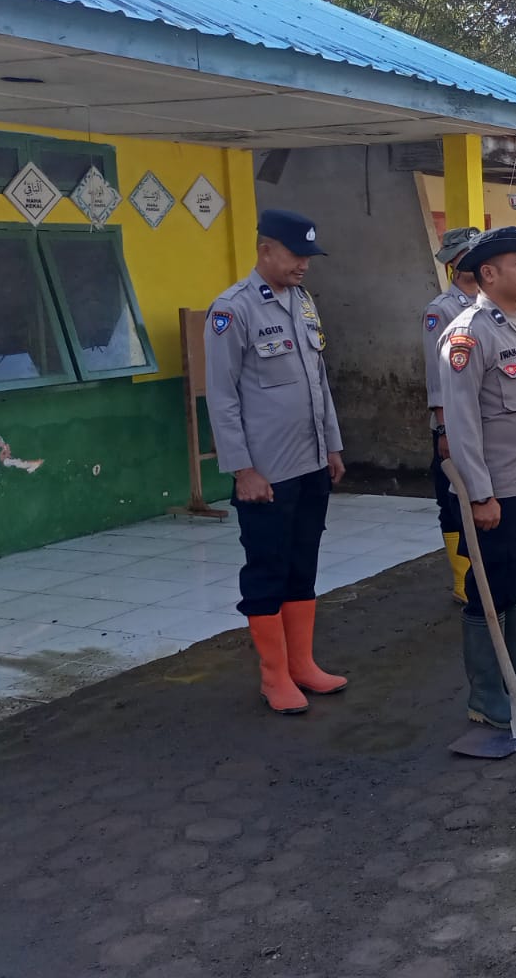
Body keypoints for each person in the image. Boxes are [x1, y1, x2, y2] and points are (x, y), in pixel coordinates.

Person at [205, 208, 346, 715]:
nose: (304, 265)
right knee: (267, 568)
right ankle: (273, 676)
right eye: (295, 254)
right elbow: (220, 397)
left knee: (302, 563)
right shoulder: (232, 310)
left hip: (309, 463)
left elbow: (318, 381)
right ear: (266, 249)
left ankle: (302, 664)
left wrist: (332, 446)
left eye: (309, 256)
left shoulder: (303, 303)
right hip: (266, 473)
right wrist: (243, 469)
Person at [438, 227, 516, 729]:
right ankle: (487, 694)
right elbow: (462, 421)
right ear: (488, 273)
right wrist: (480, 494)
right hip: (498, 493)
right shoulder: (468, 334)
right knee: (487, 588)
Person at [422, 226, 485, 604]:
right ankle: (462, 576)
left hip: (483, 421)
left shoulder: (488, 305)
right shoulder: (441, 310)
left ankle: (481, 568)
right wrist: (443, 426)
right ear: (454, 262)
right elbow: (436, 375)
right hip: (453, 425)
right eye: (468, 255)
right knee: (452, 500)